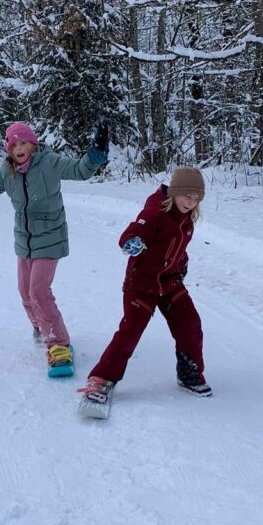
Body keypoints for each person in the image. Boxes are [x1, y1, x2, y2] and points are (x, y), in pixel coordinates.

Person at [0, 120, 109, 374]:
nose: (19, 148)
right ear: (8, 149)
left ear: (33, 145)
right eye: (14, 145)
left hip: (50, 237)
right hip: (24, 240)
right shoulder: (7, 171)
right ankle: (41, 325)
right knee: (25, 291)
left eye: (23, 143)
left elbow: (80, 170)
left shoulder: (49, 163)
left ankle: (59, 344)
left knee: (38, 291)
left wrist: (96, 152)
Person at [78, 166, 211, 408]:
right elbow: (130, 233)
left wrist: (181, 264)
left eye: (196, 198)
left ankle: (189, 373)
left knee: (190, 324)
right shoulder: (155, 213)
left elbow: (177, 248)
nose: (191, 202)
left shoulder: (187, 219)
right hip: (142, 284)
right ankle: (101, 379)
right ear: (175, 191)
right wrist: (132, 243)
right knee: (130, 332)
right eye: (187, 196)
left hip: (170, 283)